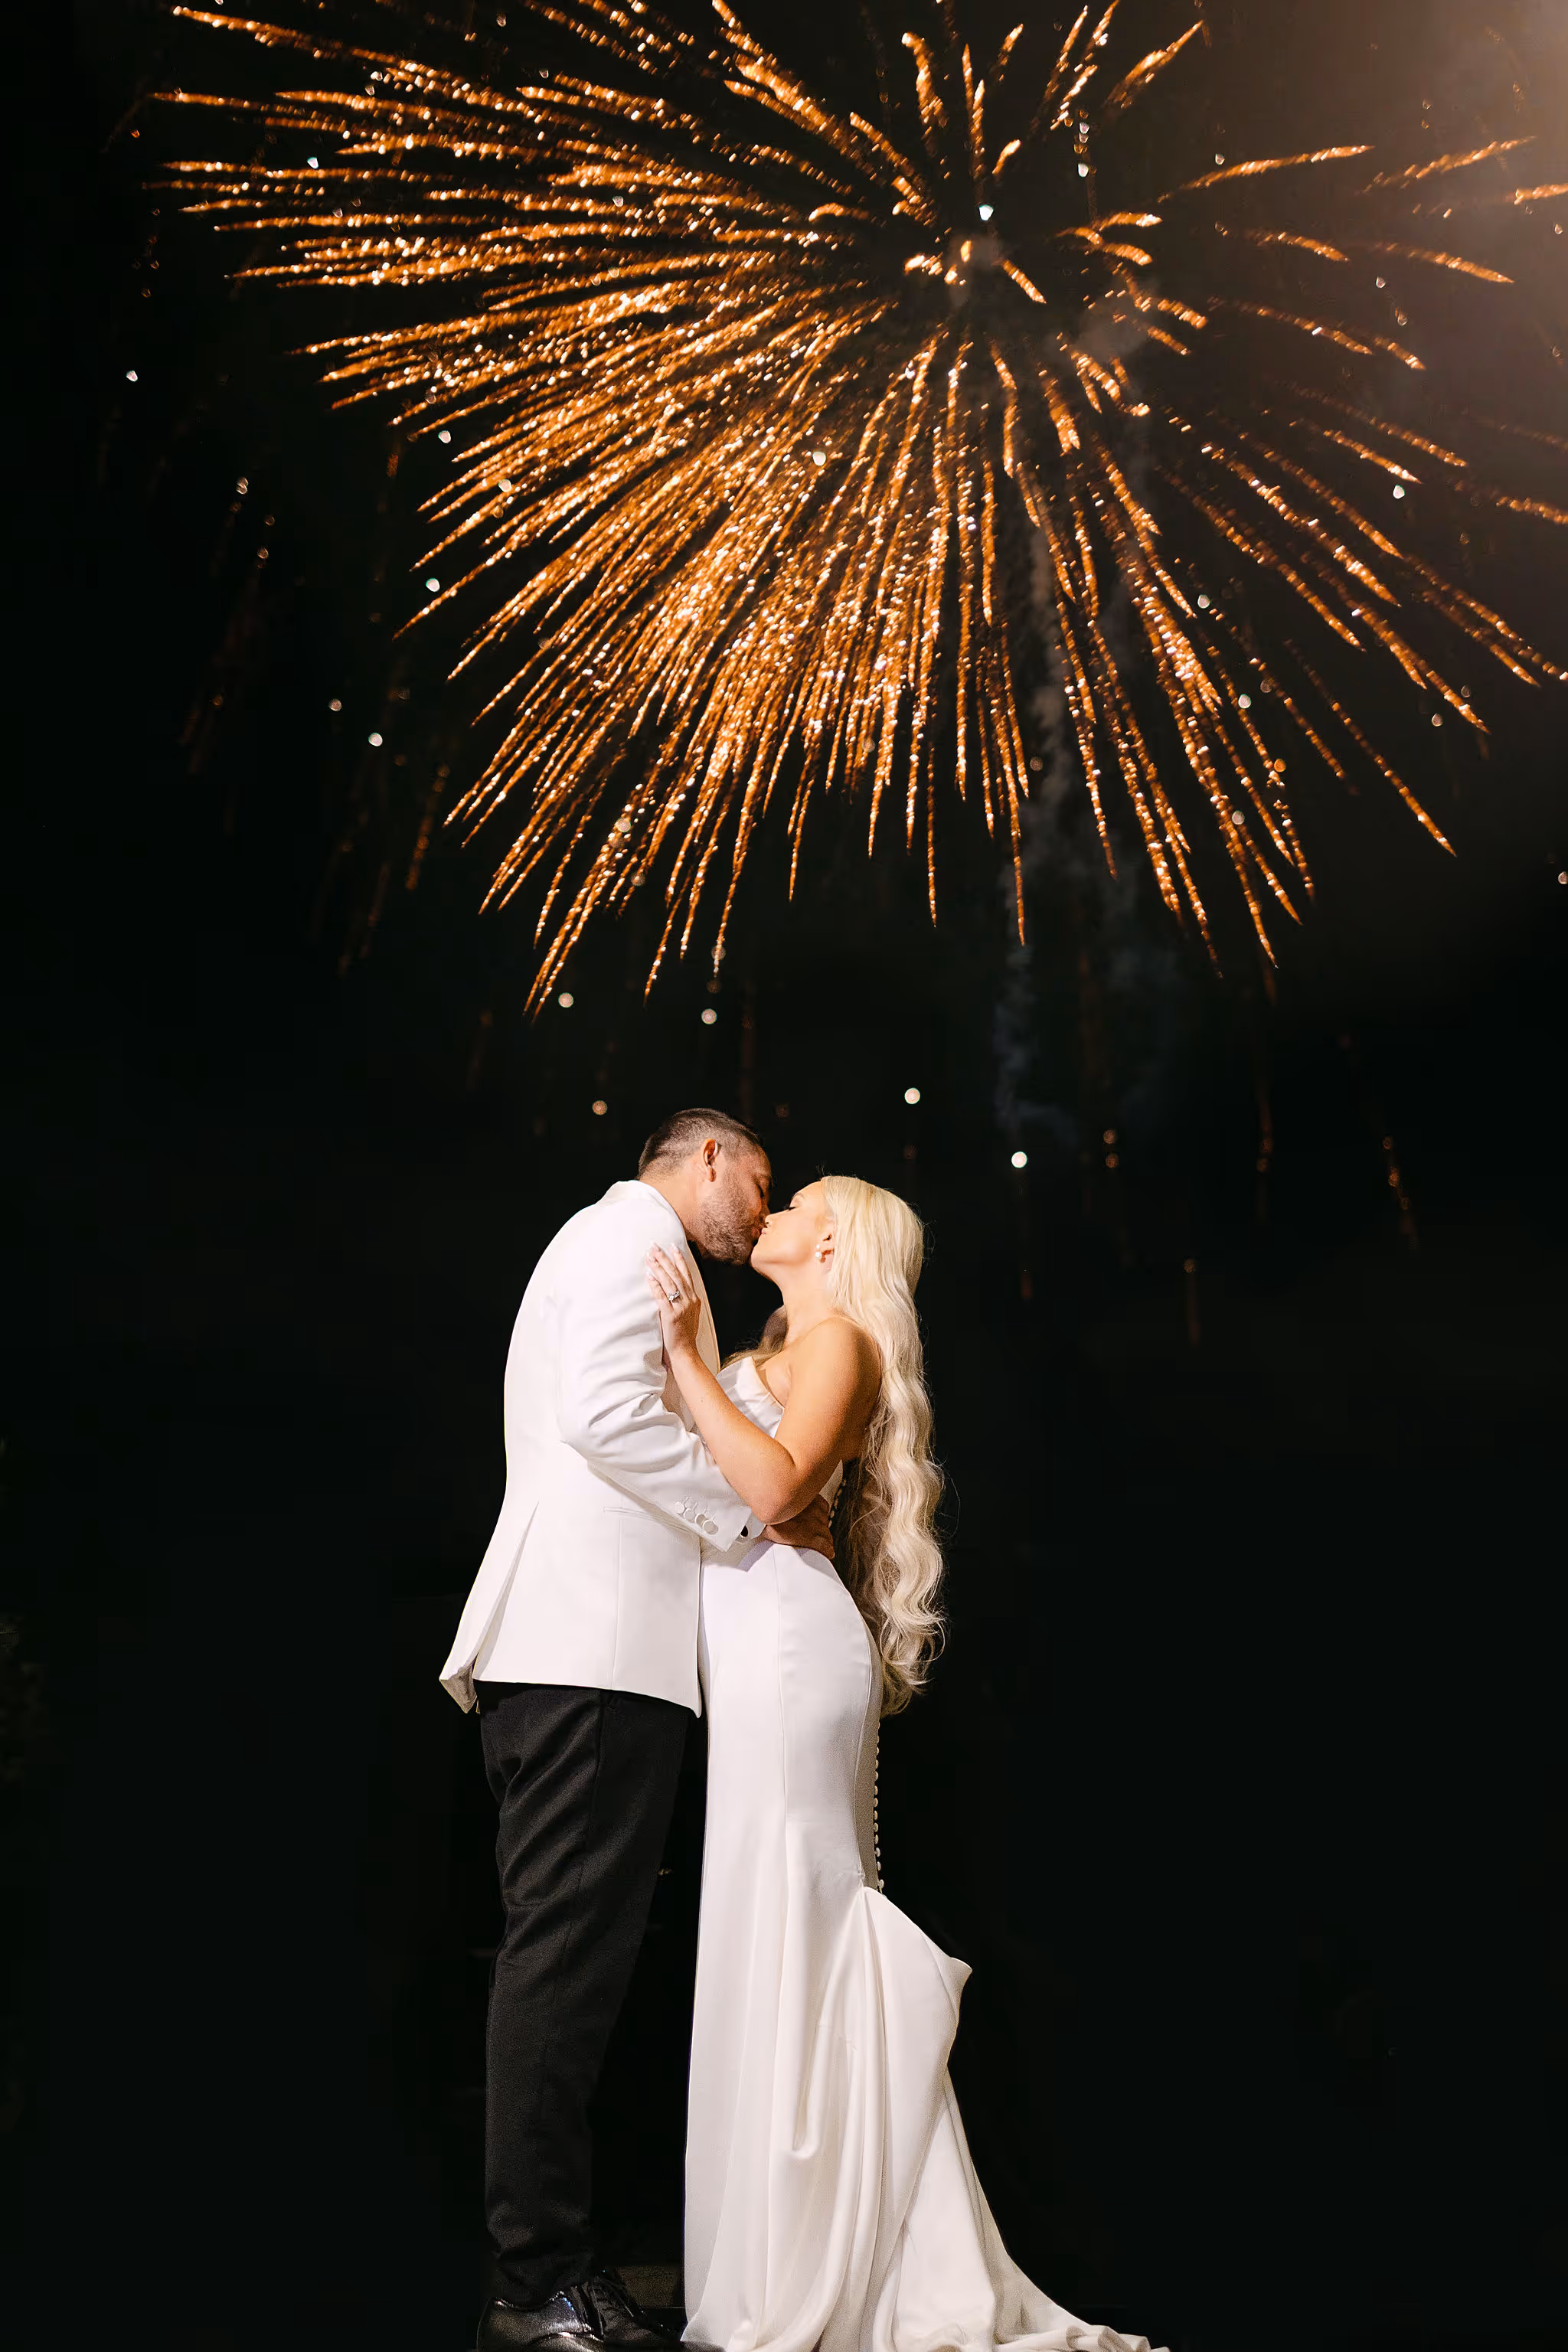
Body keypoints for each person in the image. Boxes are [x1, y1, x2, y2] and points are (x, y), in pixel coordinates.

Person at [646, 1177, 1162, 2352]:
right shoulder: (780, 1341)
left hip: (788, 1647)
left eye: (798, 1200)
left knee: (800, 1922)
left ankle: (833, 2252)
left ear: (829, 1238)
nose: (771, 1208)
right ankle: (800, 2231)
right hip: (755, 1652)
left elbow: (772, 1490)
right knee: (766, 1923)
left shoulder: (838, 1342)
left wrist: (684, 1356)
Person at [439, 1110, 835, 2352]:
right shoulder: (629, 1237)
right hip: (589, 1656)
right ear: (707, 1156)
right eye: (757, 1181)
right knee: (562, 1963)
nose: (757, 1212)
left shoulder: (631, 1246)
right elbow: (606, 1415)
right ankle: (537, 2280)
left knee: (581, 1966)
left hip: (594, 1660)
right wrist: (751, 1519)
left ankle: (560, 2263)